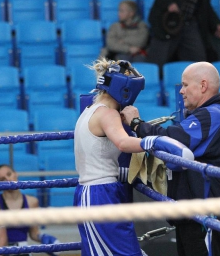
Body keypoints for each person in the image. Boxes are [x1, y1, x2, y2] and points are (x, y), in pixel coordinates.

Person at [73, 57, 194, 256]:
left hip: (98, 193)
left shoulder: (90, 110)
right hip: (99, 195)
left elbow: (96, 155)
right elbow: (122, 142)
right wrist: (155, 142)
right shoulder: (107, 114)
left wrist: (122, 172)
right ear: (125, 89)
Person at [121, 62, 220, 256]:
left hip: (204, 214)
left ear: (203, 86)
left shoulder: (211, 115)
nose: (181, 91)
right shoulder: (207, 114)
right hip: (193, 212)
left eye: (185, 85)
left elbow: (171, 139)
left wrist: (137, 123)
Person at [146, 0, 220, 72]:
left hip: (189, 23)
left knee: (198, 61)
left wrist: (216, 23)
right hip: (167, 23)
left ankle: (195, 83)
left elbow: (205, 5)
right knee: (156, 62)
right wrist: (169, 3)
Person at [0, 164, 60, 254]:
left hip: (24, 250)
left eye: (9, 174)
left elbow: (33, 233)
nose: (8, 179)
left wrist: (43, 237)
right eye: (3, 179)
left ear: (15, 174)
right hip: (2, 251)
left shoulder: (32, 202)